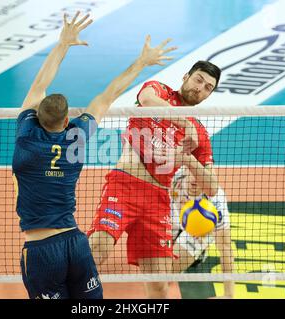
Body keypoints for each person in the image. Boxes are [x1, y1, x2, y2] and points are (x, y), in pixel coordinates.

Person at [12, 11, 176, 299]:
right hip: (75, 244)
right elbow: (109, 94)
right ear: (66, 122)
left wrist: (63, 43)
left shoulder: (26, 137)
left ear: (36, 116)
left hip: (41, 251)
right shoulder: (77, 136)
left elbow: (39, 84)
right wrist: (142, 61)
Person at [88, 60, 222, 298]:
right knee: (97, 248)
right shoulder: (159, 90)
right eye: (198, 80)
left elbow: (211, 187)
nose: (200, 88)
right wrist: (184, 123)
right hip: (125, 185)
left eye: (208, 87)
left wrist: (186, 159)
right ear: (185, 77)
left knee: (160, 284)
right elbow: (147, 99)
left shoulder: (201, 133)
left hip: (158, 200)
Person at [170, 167, 235, 299]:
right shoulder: (174, 175)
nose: (195, 180)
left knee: (164, 274)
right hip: (169, 221)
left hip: (198, 231)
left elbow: (226, 248)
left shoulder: (216, 200)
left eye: (201, 176)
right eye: (192, 172)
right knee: (151, 272)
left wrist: (229, 294)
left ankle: (198, 251)